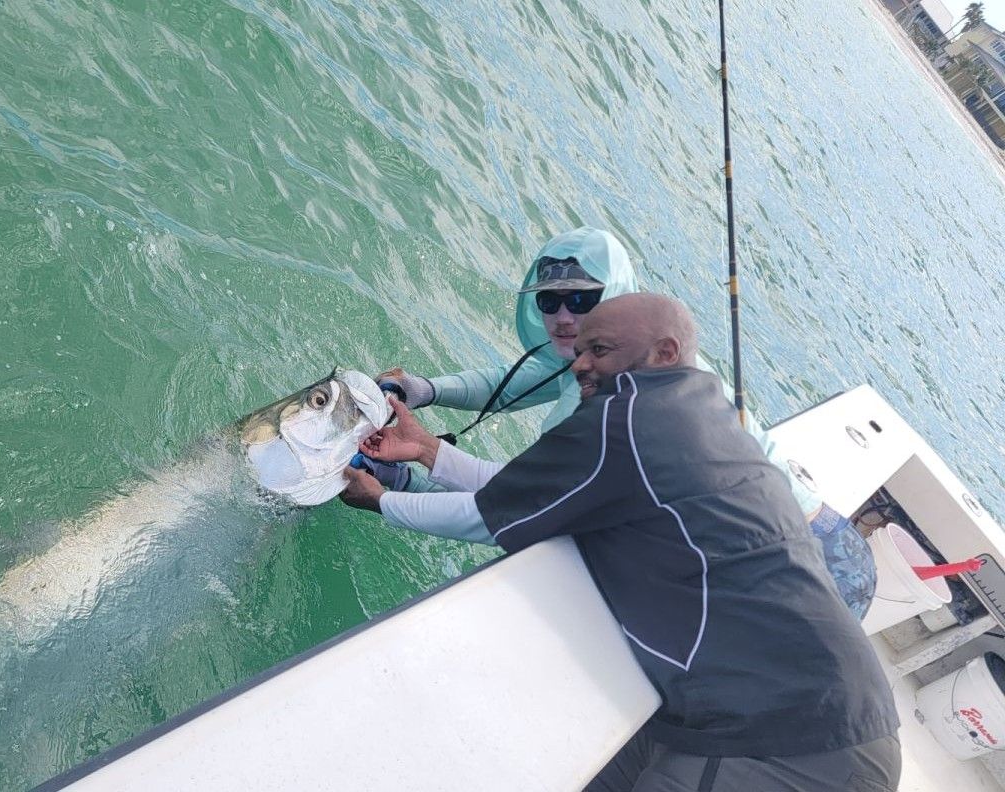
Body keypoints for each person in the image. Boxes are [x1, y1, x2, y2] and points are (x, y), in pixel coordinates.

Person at [341, 294, 900, 791]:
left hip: (789, 736)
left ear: (663, 352)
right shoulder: (705, 414)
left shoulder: (627, 416)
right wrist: (427, 452)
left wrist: (382, 501)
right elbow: (542, 496)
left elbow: (491, 519)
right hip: (792, 714)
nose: (580, 362)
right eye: (580, 350)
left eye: (600, 349)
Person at [367, 226, 875, 619]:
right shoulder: (622, 357)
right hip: (813, 532)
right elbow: (532, 379)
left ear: (616, 294)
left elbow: (518, 511)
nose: (564, 316)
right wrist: (428, 391)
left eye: (583, 299)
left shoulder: (623, 413)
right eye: (550, 300)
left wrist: (386, 496)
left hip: (802, 567)